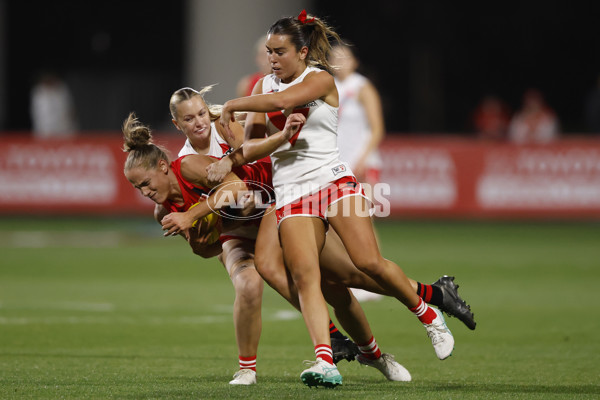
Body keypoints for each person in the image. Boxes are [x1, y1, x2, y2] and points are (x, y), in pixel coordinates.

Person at [208, 10, 456, 388]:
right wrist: (233, 146)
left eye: (280, 51)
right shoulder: (262, 87)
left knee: (367, 261)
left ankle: (428, 315)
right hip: (292, 192)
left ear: (303, 51)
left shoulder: (319, 78)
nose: (272, 59)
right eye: (269, 52)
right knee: (308, 277)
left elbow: (284, 101)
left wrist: (232, 105)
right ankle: (326, 361)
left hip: (333, 182)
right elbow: (252, 147)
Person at [123, 112, 417, 387]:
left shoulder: (202, 152)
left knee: (343, 283)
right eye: (138, 189)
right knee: (250, 283)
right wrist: (200, 244)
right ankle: (249, 367)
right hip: (238, 235)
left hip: (276, 208)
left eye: (146, 183)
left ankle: (393, 334)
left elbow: (239, 188)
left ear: (163, 166)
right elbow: (208, 248)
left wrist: (192, 214)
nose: (145, 192)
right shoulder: (165, 211)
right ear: (178, 124)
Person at [328, 41, 385, 303]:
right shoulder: (329, 87)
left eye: (344, 56)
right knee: (341, 221)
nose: (339, 60)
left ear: (354, 61)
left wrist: (361, 159)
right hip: (338, 164)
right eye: (334, 57)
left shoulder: (362, 87)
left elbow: (376, 129)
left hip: (361, 162)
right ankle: (354, 275)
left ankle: (377, 275)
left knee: (363, 217)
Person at [30, 71, 77, 138]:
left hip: (64, 131)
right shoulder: (38, 92)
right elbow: (38, 114)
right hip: (45, 132)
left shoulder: (62, 89)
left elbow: (70, 110)